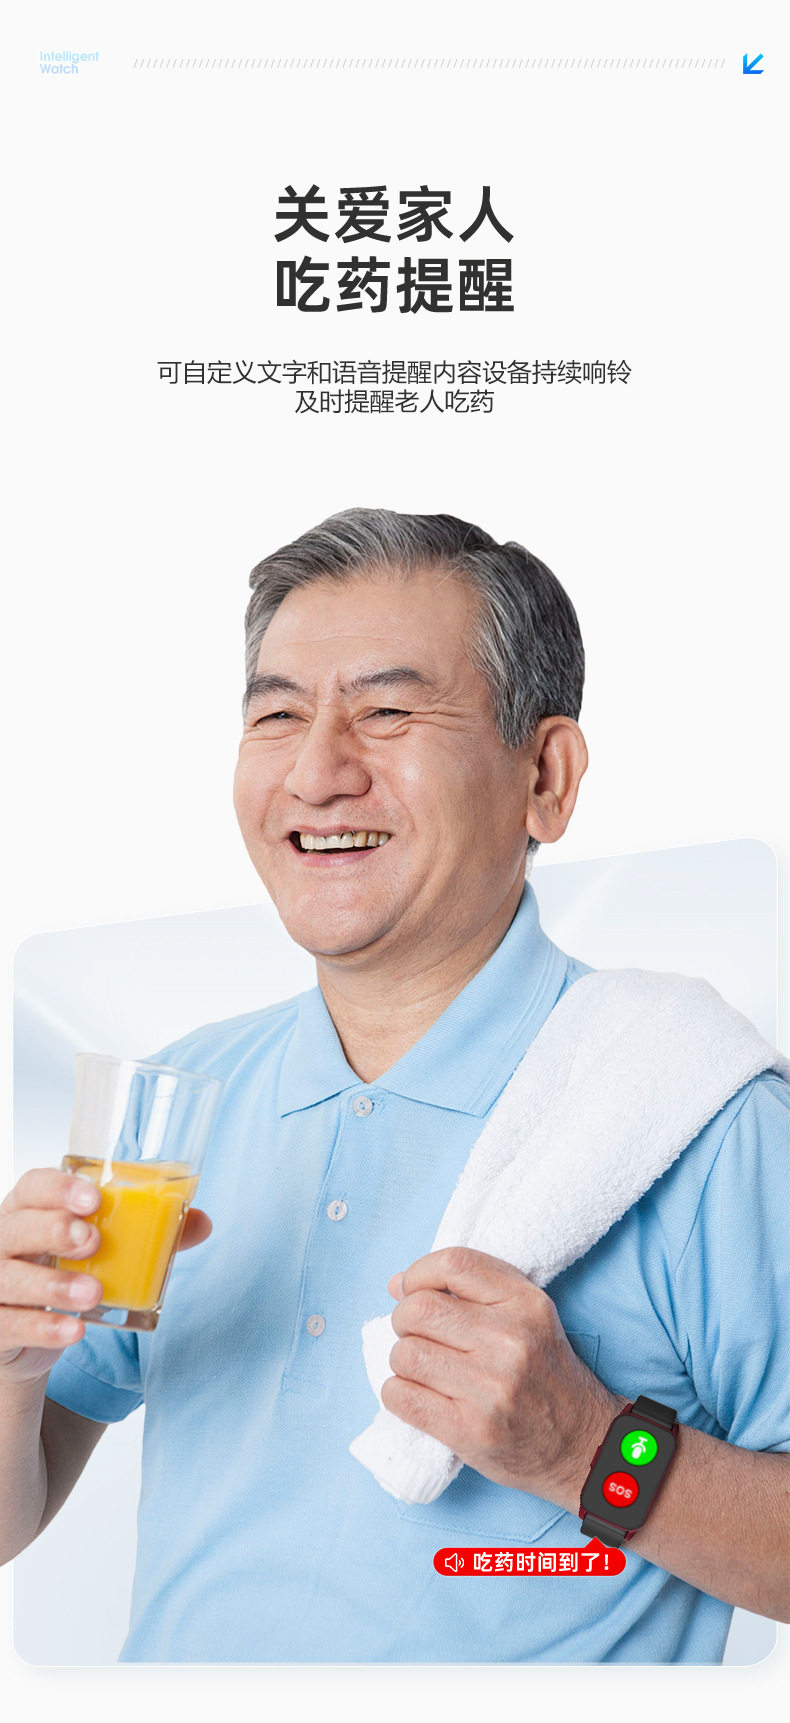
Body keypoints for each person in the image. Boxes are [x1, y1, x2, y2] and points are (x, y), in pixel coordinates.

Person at [1, 509, 788, 1664]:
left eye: (388, 711)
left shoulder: (698, 1119)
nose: (317, 771)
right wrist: (10, 1372)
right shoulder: (179, 1103)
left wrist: (589, 1451)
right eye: (277, 714)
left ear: (544, 776)